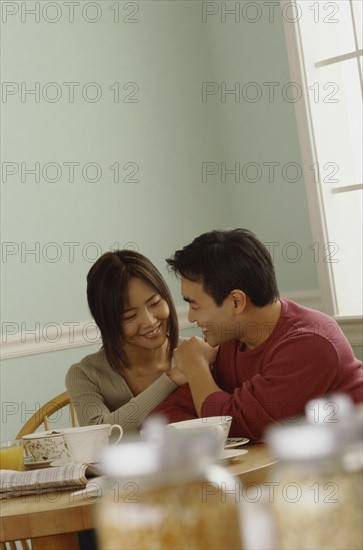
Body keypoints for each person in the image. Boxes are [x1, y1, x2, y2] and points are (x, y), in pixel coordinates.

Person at [151, 228, 363, 441]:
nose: (190, 318)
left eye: (195, 305)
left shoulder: (312, 342)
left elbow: (234, 424)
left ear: (236, 301)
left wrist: (195, 365)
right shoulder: (231, 337)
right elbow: (166, 413)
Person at [66, 250, 186, 432]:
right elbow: (98, 435)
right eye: (129, 316)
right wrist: (171, 379)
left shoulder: (196, 353)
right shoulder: (85, 374)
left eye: (155, 303)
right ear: (107, 322)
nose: (149, 321)